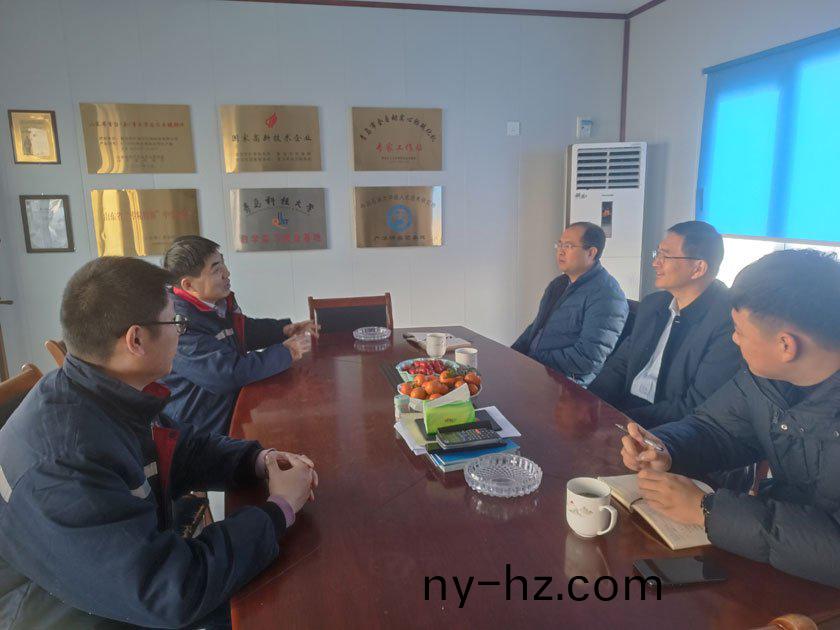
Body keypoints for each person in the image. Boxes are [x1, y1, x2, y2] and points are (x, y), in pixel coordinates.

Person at [0, 256, 318, 628]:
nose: (181, 332)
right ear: (136, 340)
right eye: (176, 322)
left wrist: (258, 460)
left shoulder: (101, 391)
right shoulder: (66, 461)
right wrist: (279, 509)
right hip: (71, 613)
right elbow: (171, 590)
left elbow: (183, 450)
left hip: (127, 578)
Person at [619, 249, 840, 587]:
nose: (734, 340)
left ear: (786, 345)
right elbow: (716, 428)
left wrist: (707, 510)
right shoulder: (764, 379)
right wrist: (665, 447)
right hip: (774, 553)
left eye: (739, 331)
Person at [589, 221, 741, 427]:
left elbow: (695, 405)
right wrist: (590, 402)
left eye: (665, 256)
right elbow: (619, 366)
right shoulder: (653, 304)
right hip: (622, 412)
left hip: (666, 429)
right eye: (657, 253)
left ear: (698, 268)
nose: (655, 263)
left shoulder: (728, 322)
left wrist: (620, 421)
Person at [161, 236, 317, 435]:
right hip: (201, 431)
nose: (227, 273)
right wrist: (286, 352)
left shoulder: (213, 303)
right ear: (189, 285)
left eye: (223, 263)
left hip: (227, 414)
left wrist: (283, 330)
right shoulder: (178, 324)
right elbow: (226, 373)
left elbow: (240, 330)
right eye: (216, 269)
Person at [511, 222, 628, 386]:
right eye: (559, 245)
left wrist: (533, 359)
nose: (561, 251)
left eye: (568, 246)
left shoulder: (607, 295)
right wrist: (512, 354)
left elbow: (588, 358)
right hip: (537, 370)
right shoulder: (559, 284)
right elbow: (535, 329)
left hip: (567, 383)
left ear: (591, 253)